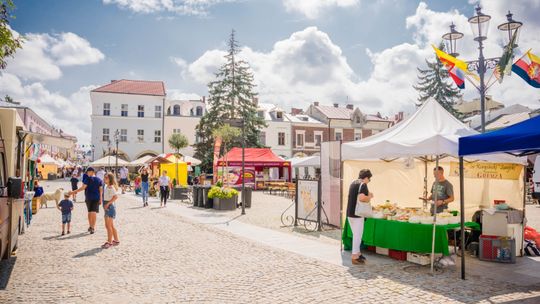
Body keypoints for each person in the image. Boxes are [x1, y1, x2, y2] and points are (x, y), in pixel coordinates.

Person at [346, 169, 373, 265]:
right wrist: (369, 197)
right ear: (366, 178)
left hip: (350, 213)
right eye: (369, 179)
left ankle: (358, 253)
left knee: (356, 235)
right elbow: (362, 198)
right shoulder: (363, 184)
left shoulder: (353, 182)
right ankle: (354, 256)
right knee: (358, 236)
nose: (369, 181)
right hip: (358, 214)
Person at [70, 167, 102, 234]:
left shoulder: (87, 179)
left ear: (91, 172)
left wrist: (73, 192)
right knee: (93, 212)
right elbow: (100, 190)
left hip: (88, 197)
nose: (87, 173)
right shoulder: (99, 180)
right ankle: (92, 227)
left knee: (90, 212)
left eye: (88, 172)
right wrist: (101, 198)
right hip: (96, 197)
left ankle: (91, 226)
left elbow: (83, 188)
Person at [101, 173, 120, 249]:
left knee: (108, 226)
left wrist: (108, 204)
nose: (104, 179)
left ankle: (109, 242)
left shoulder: (111, 187)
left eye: (106, 177)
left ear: (110, 179)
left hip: (109, 207)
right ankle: (116, 240)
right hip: (108, 206)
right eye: (104, 177)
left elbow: (116, 197)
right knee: (111, 225)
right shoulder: (107, 186)